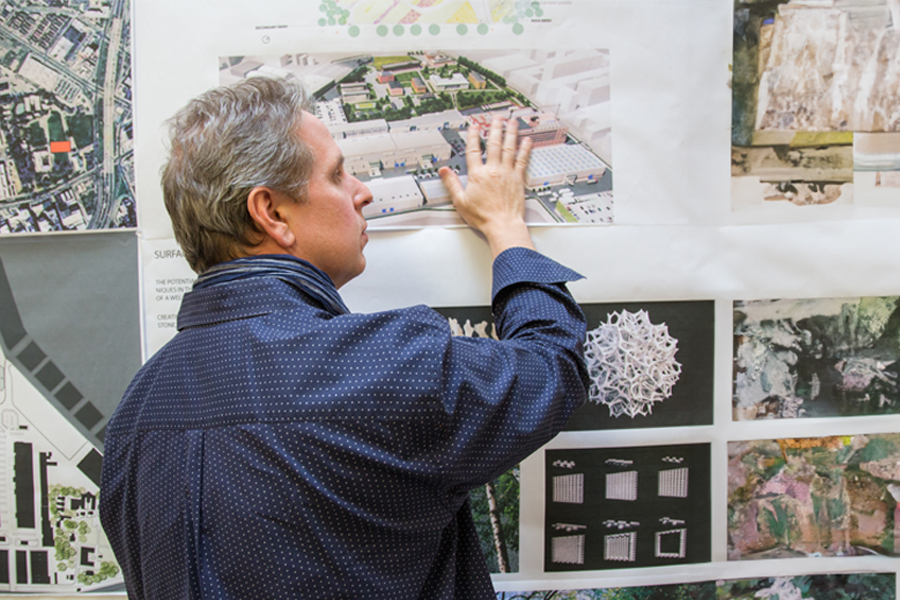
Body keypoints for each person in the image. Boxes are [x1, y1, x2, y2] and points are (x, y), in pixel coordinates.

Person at [100, 76, 588, 599]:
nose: (363, 190)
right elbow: (552, 366)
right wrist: (507, 226)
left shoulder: (134, 417)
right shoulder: (378, 365)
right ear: (272, 214)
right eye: (337, 175)